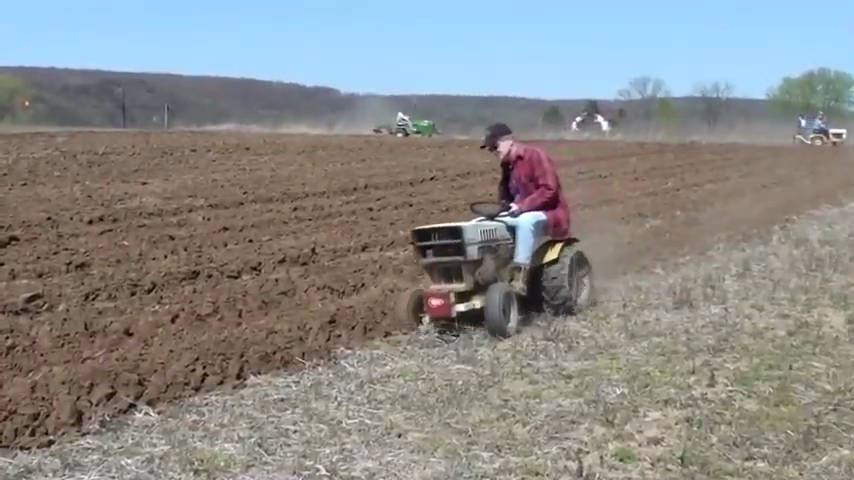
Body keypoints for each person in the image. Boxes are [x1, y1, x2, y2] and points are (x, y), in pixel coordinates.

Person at [480, 122, 571, 295]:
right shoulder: (507, 166)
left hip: (550, 213)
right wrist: (502, 208)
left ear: (509, 141)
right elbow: (506, 196)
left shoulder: (535, 156)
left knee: (525, 222)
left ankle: (519, 276)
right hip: (521, 211)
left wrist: (521, 206)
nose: (493, 151)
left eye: (495, 146)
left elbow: (549, 190)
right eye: (490, 149)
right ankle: (488, 270)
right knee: (483, 223)